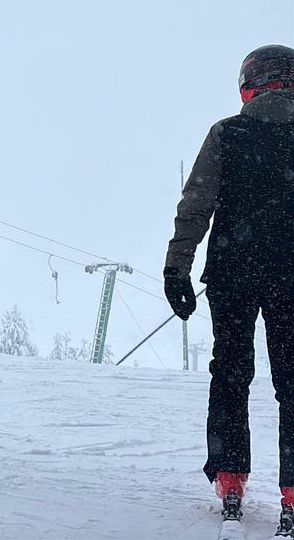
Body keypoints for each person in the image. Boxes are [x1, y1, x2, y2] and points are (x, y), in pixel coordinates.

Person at [164, 44, 294, 533]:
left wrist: (177, 268)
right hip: (291, 275)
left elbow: (195, 204)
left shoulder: (228, 133)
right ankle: (293, 489)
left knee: (231, 373)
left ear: (249, 84)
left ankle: (230, 476)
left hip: (233, 272)